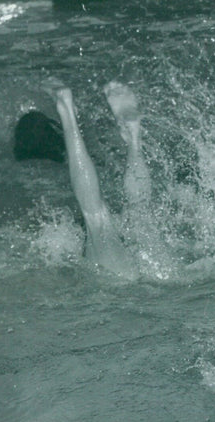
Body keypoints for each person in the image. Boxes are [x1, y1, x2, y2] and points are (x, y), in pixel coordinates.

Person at [43, 78, 145, 278]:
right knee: (139, 218)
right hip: (148, 273)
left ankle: (67, 109)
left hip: (129, 278)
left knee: (100, 218)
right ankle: (132, 134)